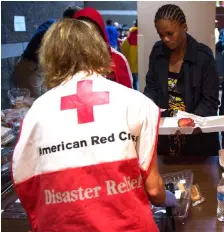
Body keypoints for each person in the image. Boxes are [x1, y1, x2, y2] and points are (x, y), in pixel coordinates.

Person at [12, 18, 176, 232]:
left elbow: (26, 184)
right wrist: (170, 199)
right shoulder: (136, 103)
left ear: (50, 56)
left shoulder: (37, 113)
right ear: (98, 49)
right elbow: (154, 189)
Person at [144, 4, 220, 156]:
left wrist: (190, 122)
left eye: (170, 33)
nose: (165, 39)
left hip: (198, 138)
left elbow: (210, 101)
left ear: (184, 27)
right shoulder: (158, 52)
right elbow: (151, 88)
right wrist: (149, 109)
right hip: (166, 135)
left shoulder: (203, 56)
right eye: (161, 35)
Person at [12, 6, 81, 98]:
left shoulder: (55, 26)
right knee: (33, 103)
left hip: (39, 69)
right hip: (30, 68)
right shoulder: (54, 27)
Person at [74, 8, 133, 88]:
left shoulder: (117, 59)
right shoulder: (67, 58)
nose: (87, 37)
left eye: (92, 32)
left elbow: (128, 93)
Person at [121, 19, 139, 90]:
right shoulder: (148, 32)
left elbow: (124, 47)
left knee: (135, 79)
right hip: (145, 61)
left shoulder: (132, 34)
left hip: (133, 60)